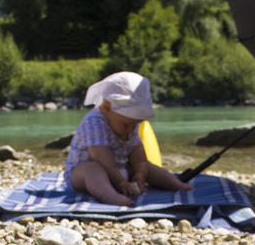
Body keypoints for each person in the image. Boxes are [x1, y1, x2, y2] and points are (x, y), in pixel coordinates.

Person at [64, 71, 193, 207]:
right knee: (93, 169)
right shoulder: (94, 122)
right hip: (81, 174)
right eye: (126, 124)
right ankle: (109, 195)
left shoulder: (128, 124)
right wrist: (120, 182)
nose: (131, 129)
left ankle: (176, 184)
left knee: (147, 166)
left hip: (118, 169)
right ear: (107, 106)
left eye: (135, 124)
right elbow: (101, 158)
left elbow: (137, 150)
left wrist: (140, 174)